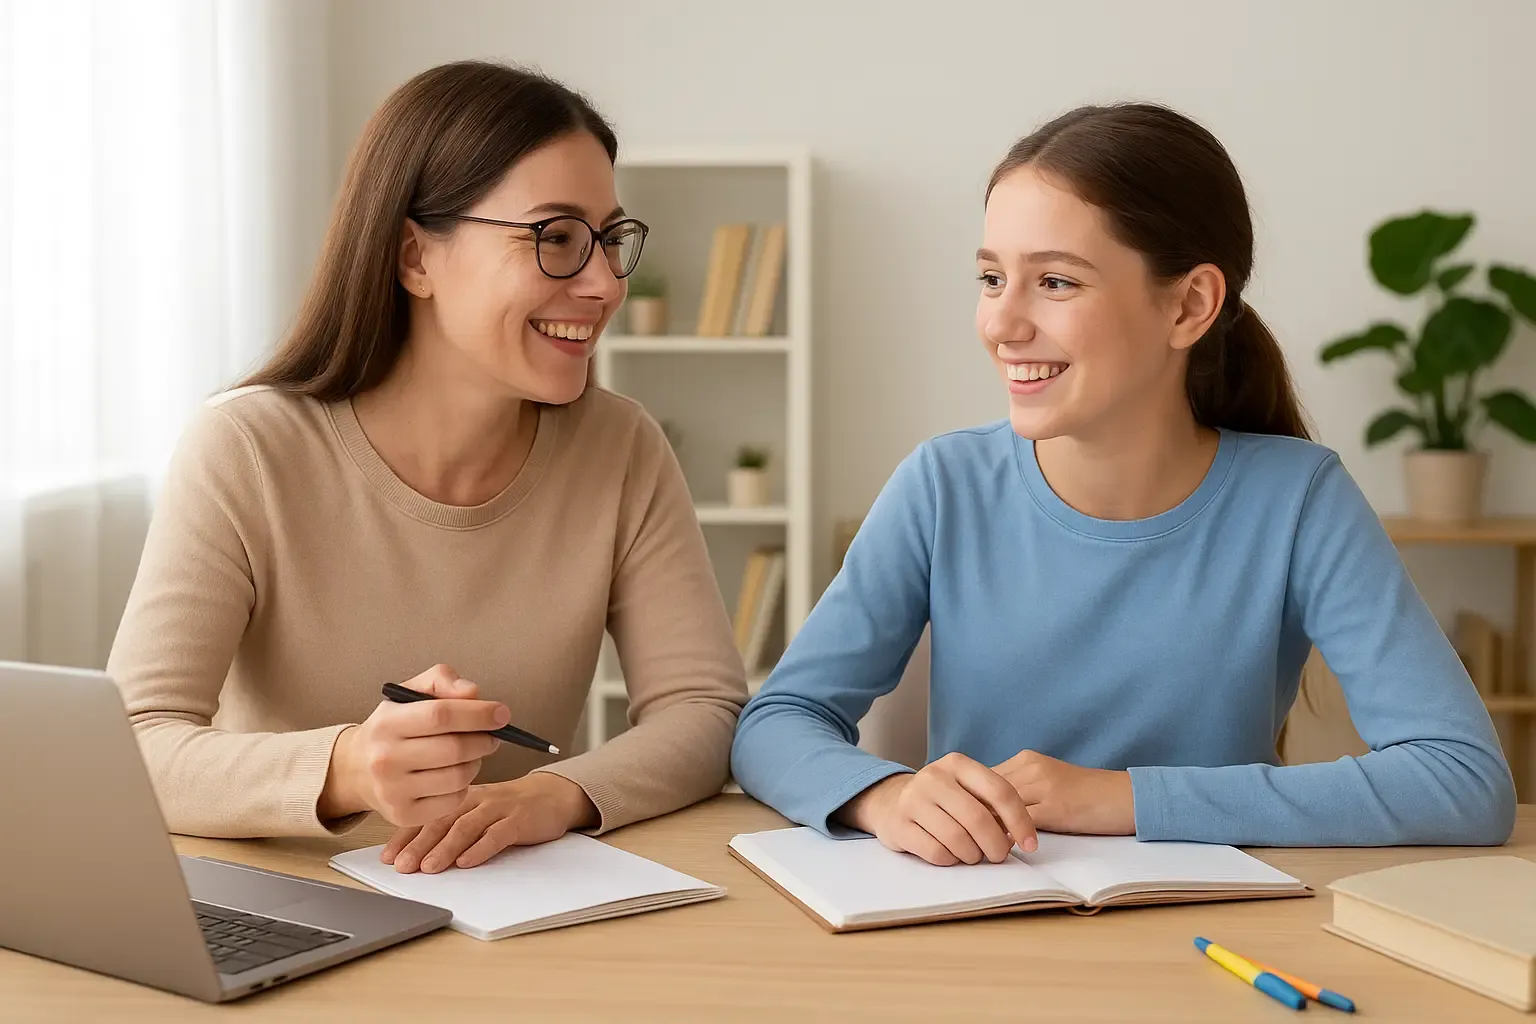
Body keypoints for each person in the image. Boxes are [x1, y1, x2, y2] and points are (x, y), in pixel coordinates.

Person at [730, 103, 1515, 865]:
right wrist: (883, 797)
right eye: (992, 277)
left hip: (1211, 941)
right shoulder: (943, 485)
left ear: (1189, 305)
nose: (1002, 324)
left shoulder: (1298, 499)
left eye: (1057, 283)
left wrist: (1121, 799)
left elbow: (1463, 779)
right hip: (972, 932)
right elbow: (776, 723)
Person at [107, 60, 748, 874]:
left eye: (608, 241)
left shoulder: (619, 447)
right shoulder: (248, 449)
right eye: (554, 238)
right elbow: (134, 740)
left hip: (516, 908)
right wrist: (345, 767)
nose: (601, 285)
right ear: (415, 258)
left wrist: (554, 796)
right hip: (282, 914)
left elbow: (704, 710)